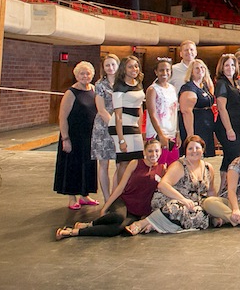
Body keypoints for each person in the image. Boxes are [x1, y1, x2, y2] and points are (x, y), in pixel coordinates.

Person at [55, 139, 166, 239]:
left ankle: (77, 230)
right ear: (144, 152)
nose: (154, 154)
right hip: (124, 202)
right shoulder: (135, 163)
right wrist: (105, 207)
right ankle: (83, 228)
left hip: (138, 211)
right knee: (117, 217)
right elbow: (121, 186)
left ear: (161, 152)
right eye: (150, 151)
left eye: (156, 151)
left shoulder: (162, 169)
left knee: (116, 229)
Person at [147, 135, 217, 232]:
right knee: (176, 208)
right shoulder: (179, 165)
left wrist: (214, 210)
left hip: (193, 205)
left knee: (202, 214)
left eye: (197, 148)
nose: (194, 151)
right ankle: (147, 222)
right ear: (186, 151)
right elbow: (162, 185)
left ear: (203, 150)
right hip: (171, 200)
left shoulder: (208, 168)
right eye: (190, 148)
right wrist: (183, 199)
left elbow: (211, 191)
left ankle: (160, 225)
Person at [54, 61, 99, 210]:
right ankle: (72, 198)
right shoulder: (70, 93)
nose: (85, 76)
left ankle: (84, 195)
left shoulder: (93, 89)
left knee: (87, 165)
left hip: (89, 137)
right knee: (73, 166)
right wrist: (65, 138)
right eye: (82, 73)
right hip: (74, 137)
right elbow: (63, 117)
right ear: (76, 75)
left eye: (88, 73)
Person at [111, 55, 146, 182]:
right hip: (122, 125)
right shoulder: (119, 87)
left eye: (136, 66)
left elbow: (140, 108)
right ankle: (121, 194)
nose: (134, 69)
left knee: (137, 160)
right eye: (130, 67)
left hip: (134, 125)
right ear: (123, 69)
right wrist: (121, 140)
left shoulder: (138, 83)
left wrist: (142, 130)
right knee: (124, 162)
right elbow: (118, 115)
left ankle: (131, 192)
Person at [214, 53, 240, 191]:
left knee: (228, 158)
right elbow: (221, 107)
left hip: (236, 125)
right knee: (233, 158)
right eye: (227, 65)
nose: (230, 67)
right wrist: (229, 129)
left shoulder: (234, 82)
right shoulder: (222, 83)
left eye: (232, 64)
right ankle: (229, 189)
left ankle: (223, 189)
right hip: (227, 126)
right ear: (222, 67)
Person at [91, 53, 118, 202]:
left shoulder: (123, 83)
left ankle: (115, 196)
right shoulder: (100, 85)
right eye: (107, 65)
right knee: (104, 163)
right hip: (103, 127)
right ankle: (107, 198)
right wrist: (114, 126)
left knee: (120, 163)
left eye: (113, 64)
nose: (110, 68)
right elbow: (101, 109)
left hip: (120, 126)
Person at [178, 58, 216, 157]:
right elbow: (186, 112)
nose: (200, 70)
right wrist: (191, 136)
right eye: (197, 68)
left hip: (206, 126)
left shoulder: (204, 86)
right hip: (196, 126)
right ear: (191, 72)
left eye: (202, 68)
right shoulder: (189, 88)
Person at [145, 58, 179, 166]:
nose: (164, 73)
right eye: (161, 70)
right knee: (158, 167)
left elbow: (175, 112)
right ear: (156, 72)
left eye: (167, 70)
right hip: (158, 133)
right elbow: (152, 114)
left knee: (172, 166)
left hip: (172, 133)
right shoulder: (152, 89)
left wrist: (177, 133)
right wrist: (161, 135)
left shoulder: (172, 89)